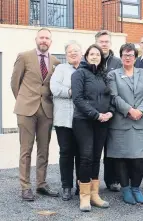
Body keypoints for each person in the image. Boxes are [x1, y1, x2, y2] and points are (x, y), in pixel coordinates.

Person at [11, 28, 60, 201]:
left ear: (50, 41)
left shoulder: (55, 61)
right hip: (26, 110)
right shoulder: (24, 56)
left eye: (47, 38)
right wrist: (23, 101)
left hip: (46, 110)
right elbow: (14, 83)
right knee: (26, 149)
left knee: (44, 149)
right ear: (36, 39)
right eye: (41, 37)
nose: (44, 40)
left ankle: (41, 184)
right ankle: (25, 187)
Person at [107, 43, 143, 205]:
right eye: (125, 55)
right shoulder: (113, 75)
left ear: (135, 57)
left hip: (140, 122)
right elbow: (114, 97)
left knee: (138, 158)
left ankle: (136, 187)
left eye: (131, 55)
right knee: (121, 157)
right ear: (121, 57)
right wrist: (129, 110)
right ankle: (125, 188)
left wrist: (140, 111)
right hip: (121, 122)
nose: (128, 57)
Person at [71, 44, 113, 212]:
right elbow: (78, 99)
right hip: (84, 121)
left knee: (96, 157)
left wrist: (110, 112)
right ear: (86, 56)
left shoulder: (104, 75)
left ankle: (95, 195)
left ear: (101, 58)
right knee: (86, 157)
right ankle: (84, 196)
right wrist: (96, 114)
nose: (95, 56)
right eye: (92, 54)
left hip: (102, 122)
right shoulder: (79, 74)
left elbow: (110, 97)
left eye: (98, 54)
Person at [50, 41, 82, 201]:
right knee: (66, 153)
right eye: (70, 51)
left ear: (81, 53)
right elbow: (54, 88)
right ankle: (66, 186)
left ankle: (81, 186)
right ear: (66, 54)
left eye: (76, 51)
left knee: (82, 154)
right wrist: (72, 91)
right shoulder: (60, 69)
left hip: (82, 120)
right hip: (63, 120)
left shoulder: (86, 69)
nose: (73, 53)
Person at [95, 30, 122, 192]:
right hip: (97, 112)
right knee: (95, 149)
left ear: (110, 44)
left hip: (113, 111)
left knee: (111, 150)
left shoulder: (117, 62)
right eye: (101, 41)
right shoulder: (92, 58)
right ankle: (92, 182)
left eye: (106, 41)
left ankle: (112, 180)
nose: (104, 44)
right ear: (96, 43)